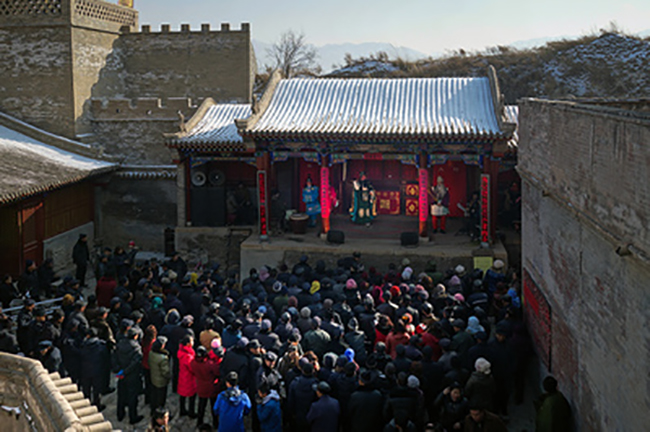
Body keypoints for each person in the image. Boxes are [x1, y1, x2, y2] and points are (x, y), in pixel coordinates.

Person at [114, 327, 144, 425]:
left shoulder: (120, 344)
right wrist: (126, 371)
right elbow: (135, 363)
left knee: (121, 394)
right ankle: (133, 416)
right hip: (132, 376)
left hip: (121, 374)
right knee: (132, 397)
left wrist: (120, 370)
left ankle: (120, 414)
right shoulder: (136, 348)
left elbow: (114, 357)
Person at [148, 336, 171, 411]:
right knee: (161, 399)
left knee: (154, 395)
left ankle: (153, 409)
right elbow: (165, 372)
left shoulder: (151, 353)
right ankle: (160, 412)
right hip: (161, 381)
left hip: (153, 377)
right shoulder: (163, 358)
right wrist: (169, 377)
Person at [178, 335, 197, 418]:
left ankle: (182, 410)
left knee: (182, 395)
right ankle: (191, 412)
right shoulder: (188, 356)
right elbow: (191, 368)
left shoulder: (181, 351)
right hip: (189, 377)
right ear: (188, 343)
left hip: (182, 375)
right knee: (192, 396)